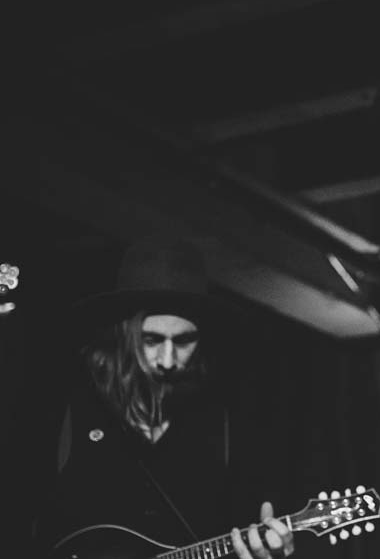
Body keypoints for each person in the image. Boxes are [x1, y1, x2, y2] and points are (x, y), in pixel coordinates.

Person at [31, 235, 294, 559]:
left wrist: (268, 554)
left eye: (184, 341)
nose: (168, 361)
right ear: (123, 334)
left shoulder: (222, 427)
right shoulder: (70, 408)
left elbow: (238, 537)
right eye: (152, 339)